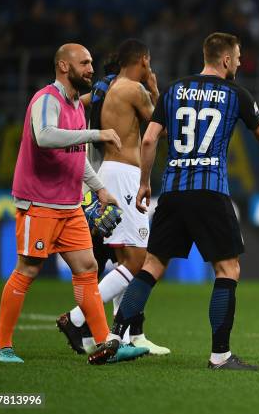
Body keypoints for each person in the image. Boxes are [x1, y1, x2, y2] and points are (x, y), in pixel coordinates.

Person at [107, 32, 259, 370]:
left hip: (173, 192)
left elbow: (149, 140)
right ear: (225, 60)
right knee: (227, 269)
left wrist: (144, 184)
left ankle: (115, 336)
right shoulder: (236, 93)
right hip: (210, 191)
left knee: (151, 265)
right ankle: (220, 355)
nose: (239, 62)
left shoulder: (173, 90)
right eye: (237, 57)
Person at [0, 43, 149, 364]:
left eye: (91, 62)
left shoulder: (77, 104)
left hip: (69, 205)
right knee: (29, 268)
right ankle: (2, 347)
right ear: (64, 66)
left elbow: (76, 155)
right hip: (39, 202)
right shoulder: (47, 98)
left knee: (88, 268)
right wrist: (95, 135)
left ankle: (106, 343)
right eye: (85, 63)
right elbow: (45, 136)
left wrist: (100, 188)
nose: (92, 68)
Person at [56, 39, 169, 356]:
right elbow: (161, 126)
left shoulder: (110, 88)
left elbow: (81, 103)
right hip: (124, 175)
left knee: (123, 260)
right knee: (138, 261)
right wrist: (155, 89)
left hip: (109, 171)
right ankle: (76, 319)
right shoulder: (133, 89)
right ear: (144, 60)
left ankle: (125, 335)